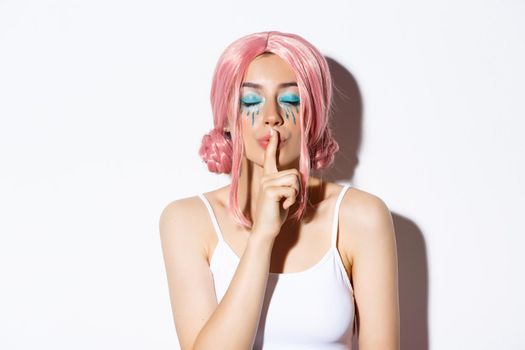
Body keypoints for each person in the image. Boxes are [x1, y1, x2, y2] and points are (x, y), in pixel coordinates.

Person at [159, 31, 400, 350]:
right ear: (228, 118)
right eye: (250, 101)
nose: (271, 117)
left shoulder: (360, 217)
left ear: (313, 116)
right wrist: (262, 236)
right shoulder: (187, 220)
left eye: (290, 100)